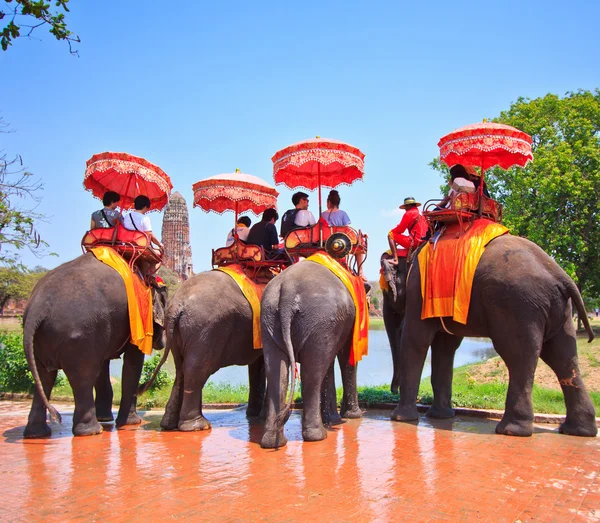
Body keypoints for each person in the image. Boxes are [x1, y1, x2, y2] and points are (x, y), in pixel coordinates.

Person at [388, 196, 428, 264]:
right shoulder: (421, 213)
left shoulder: (409, 213)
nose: (405, 209)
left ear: (409, 205)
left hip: (414, 241)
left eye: (406, 207)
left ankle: (395, 259)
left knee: (390, 234)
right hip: (425, 241)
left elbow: (400, 229)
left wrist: (393, 231)